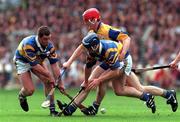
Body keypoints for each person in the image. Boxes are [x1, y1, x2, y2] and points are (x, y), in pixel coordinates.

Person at [62, 8, 178, 115]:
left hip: (121, 59)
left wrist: (122, 54)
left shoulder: (106, 30)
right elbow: (82, 47)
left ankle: (91, 107)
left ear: (94, 20)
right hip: (110, 60)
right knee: (95, 80)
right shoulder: (91, 33)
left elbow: (127, 38)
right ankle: (168, 94)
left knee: (117, 88)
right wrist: (69, 62)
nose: (85, 24)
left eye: (87, 21)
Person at [59, 32, 156, 116]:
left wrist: (99, 80)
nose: (86, 51)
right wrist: (85, 81)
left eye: (88, 48)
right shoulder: (93, 51)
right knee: (89, 82)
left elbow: (116, 71)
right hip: (109, 60)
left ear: (94, 46)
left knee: (119, 90)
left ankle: (146, 97)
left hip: (123, 61)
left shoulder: (109, 51)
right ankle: (72, 108)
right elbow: (88, 67)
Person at [13, 26, 64, 116]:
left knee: (48, 81)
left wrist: (60, 83)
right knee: (30, 90)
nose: (47, 41)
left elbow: (54, 66)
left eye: (49, 39)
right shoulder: (29, 44)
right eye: (45, 39)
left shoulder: (50, 47)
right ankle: (22, 95)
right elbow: (34, 66)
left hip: (37, 60)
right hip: (22, 61)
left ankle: (52, 110)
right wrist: (49, 75)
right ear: (39, 37)